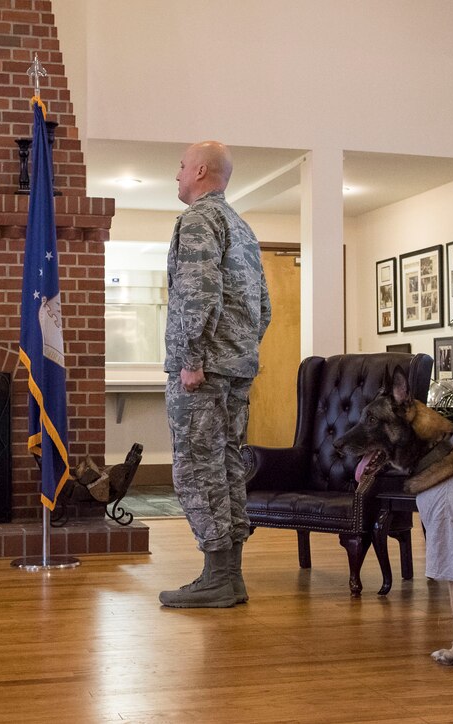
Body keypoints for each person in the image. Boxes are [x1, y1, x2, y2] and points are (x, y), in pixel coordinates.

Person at [159, 141, 271, 608]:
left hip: (203, 372)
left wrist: (192, 358)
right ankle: (231, 576)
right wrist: (240, 352)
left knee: (197, 468)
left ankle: (217, 576)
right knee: (227, 467)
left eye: (182, 166)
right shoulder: (241, 227)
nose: (177, 174)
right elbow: (264, 307)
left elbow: (196, 294)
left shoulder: (198, 220)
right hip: (236, 369)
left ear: (201, 170)